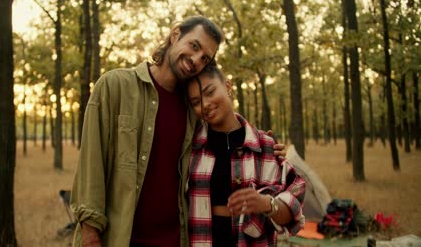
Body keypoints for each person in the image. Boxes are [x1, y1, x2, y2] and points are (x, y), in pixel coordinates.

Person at [70, 15, 285, 247]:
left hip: (177, 239)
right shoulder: (115, 86)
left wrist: (266, 148)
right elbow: (91, 166)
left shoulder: (194, 110)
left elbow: (226, 142)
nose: (195, 60)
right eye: (194, 46)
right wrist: (90, 235)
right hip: (120, 238)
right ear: (175, 35)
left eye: (205, 58)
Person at [186, 64, 306, 247]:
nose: (205, 104)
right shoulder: (190, 149)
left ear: (227, 87)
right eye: (196, 102)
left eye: (210, 92)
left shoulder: (265, 146)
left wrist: (267, 204)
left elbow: (293, 207)